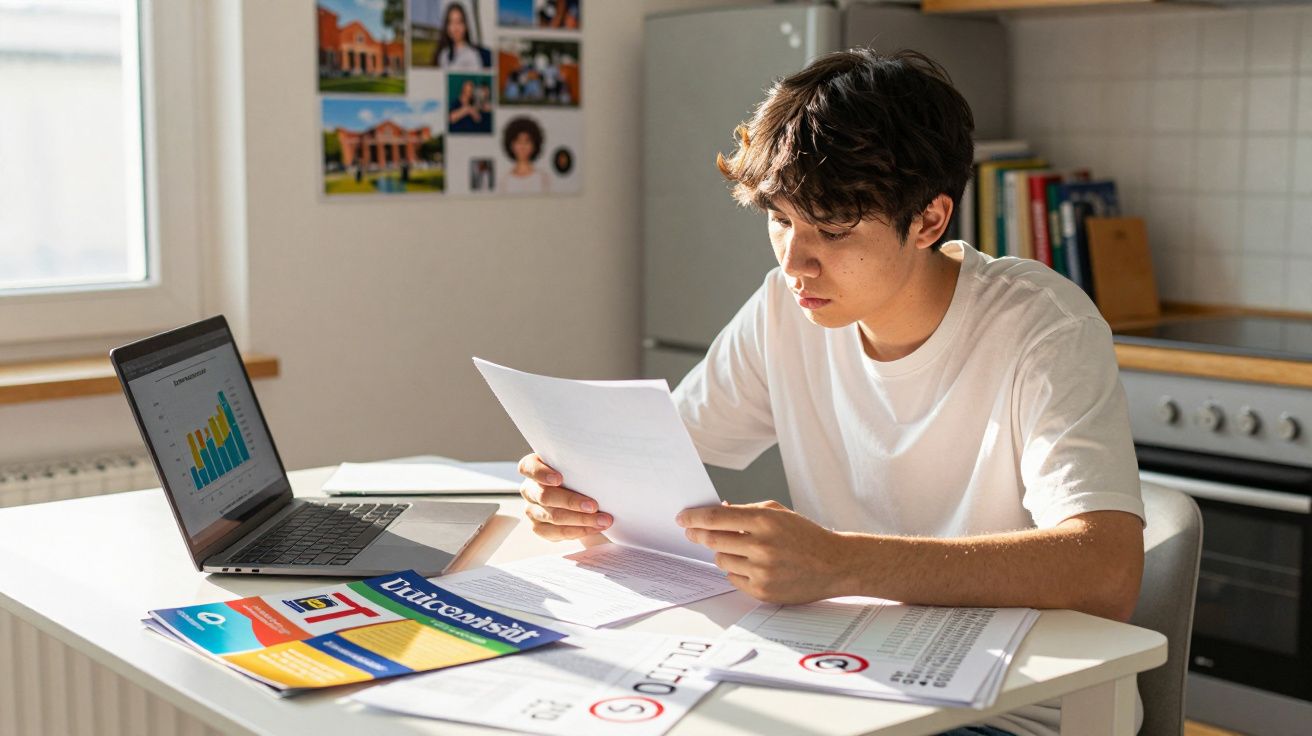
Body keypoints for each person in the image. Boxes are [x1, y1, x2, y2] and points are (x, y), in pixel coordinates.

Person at [516, 48, 1146, 736]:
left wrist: (842, 561)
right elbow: (658, 453)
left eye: (833, 229)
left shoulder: (1042, 325)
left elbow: (1106, 569)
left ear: (930, 221)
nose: (793, 261)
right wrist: (573, 489)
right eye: (781, 220)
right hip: (833, 673)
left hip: (1011, 707)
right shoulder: (787, 308)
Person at [499, 116, 549, 194]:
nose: (522, 146)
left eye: (527, 141)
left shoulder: (543, 178)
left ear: (534, 145)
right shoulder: (504, 180)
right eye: (518, 141)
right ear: (511, 145)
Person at [434, 2, 491, 71]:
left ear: (465, 26)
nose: (455, 28)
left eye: (458, 22)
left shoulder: (472, 54)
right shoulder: (444, 54)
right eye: (451, 22)